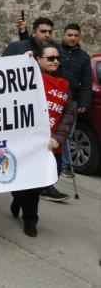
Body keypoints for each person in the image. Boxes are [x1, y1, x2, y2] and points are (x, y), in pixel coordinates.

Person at [11, 43, 74, 236]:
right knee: (31, 182)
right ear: (39, 60)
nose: (55, 61)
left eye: (57, 58)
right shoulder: (28, 77)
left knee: (44, 181)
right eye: (50, 58)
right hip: (28, 142)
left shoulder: (64, 85)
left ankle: (19, 198)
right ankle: (31, 220)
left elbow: (68, 114)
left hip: (51, 144)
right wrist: (24, 61)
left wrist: (58, 138)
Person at [58, 23, 92, 177]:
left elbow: (87, 82)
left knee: (68, 134)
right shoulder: (55, 51)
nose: (72, 38)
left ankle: (65, 165)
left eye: (75, 35)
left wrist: (84, 103)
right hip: (54, 96)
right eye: (69, 35)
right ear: (64, 35)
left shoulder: (84, 57)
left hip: (73, 101)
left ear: (79, 37)